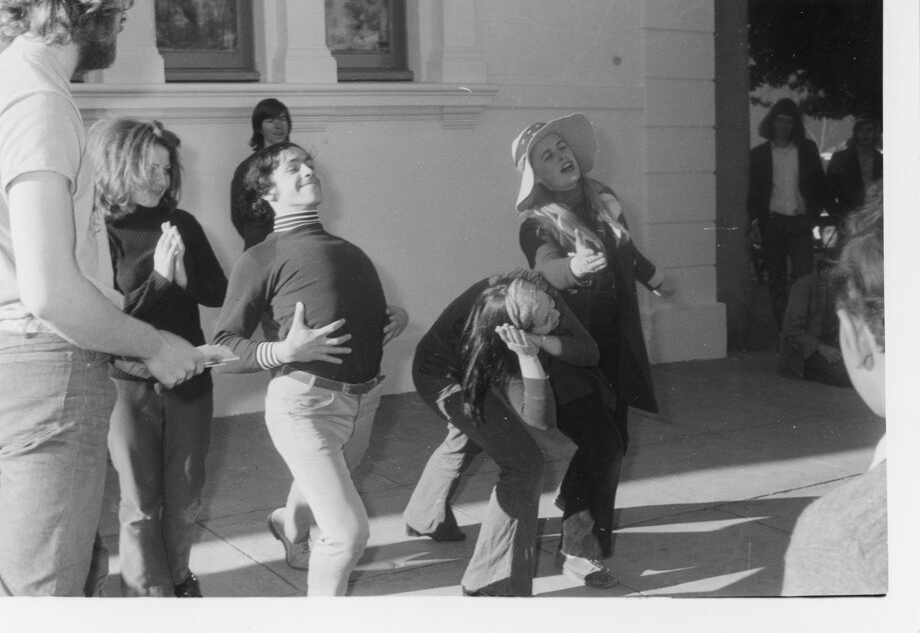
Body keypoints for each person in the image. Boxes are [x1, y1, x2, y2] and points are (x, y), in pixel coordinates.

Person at [0, 0, 206, 597]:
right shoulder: (37, 100)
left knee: (70, 574)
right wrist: (153, 345)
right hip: (48, 366)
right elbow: (48, 291)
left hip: (20, 358)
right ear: (87, 2)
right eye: (122, 8)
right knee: (45, 594)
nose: (123, 24)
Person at [213, 142, 408, 596]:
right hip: (305, 406)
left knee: (320, 486)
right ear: (265, 191)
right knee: (347, 532)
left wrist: (388, 317)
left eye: (310, 165)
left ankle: (288, 524)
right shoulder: (261, 257)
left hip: (364, 401)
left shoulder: (348, 250)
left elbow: (337, 307)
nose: (308, 171)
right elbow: (222, 348)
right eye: (292, 167)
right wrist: (284, 351)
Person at [514, 113, 671, 577]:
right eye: (547, 154)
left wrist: (654, 277)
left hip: (615, 346)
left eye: (563, 147)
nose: (561, 155)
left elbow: (626, 250)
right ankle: (579, 549)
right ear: (536, 175)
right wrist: (575, 268)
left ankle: (581, 515)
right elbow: (546, 268)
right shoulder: (536, 224)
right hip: (570, 352)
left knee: (613, 442)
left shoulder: (604, 201)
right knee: (603, 446)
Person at [88, 117, 229, 597]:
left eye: (166, 170)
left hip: (189, 381)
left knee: (186, 497)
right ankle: (146, 598)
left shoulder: (182, 223)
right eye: (147, 168)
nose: (160, 180)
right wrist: (162, 278)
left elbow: (219, 293)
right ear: (116, 166)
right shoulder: (101, 232)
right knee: (140, 504)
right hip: (128, 386)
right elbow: (112, 320)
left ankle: (176, 576)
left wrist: (185, 279)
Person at [407, 270, 616, 596]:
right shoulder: (503, 335)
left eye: (552, 306)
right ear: (518, 331)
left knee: (474, 435)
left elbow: (587, 353)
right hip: (439, 373)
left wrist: (538, 343)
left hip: (484, 355)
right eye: (549, 318)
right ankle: (490, 583)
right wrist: (529, 356)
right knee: (524, 462)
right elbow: (541, 419)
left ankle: (424, 515)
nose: (558, 315)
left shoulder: (531, 294)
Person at [782, 187, 886, 595]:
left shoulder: (841, 534)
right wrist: (823, 348)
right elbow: (792, 333)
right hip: (810, 354)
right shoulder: (803, 289)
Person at [748, 98, 826, 327]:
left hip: (800, 223)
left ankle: (802, 325)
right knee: (776, 279)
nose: (783, 126)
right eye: (779, 121)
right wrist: (754, 224)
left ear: (795, 125)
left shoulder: (807, 150)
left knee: (804, 279)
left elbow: (820, 186)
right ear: (772, 122)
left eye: (789, 122)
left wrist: (812, 217)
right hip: (772, 224)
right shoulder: (759, 154)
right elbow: (753, 193)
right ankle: (784, 328)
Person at [229, 98, 292, 249]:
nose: (278, 126)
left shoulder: (298, 161)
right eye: (270, 121)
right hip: (260, 243)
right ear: (259, 128)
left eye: (282, 119)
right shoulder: (248, 167)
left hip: (293, 241)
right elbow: (237, 215)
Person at [777, 263, 852, 387]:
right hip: (805, 352)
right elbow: (791, 330)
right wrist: (821, 347)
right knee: (847, 375)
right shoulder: (804, 287)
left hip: (831, 346)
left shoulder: (841, 289)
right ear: (825, 270)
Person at [824, 116, 883, 222]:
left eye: (869, 130)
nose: (865, 134)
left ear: (875, 133)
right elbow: (828, 194)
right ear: (855, 132)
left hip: (876, 218)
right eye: (861, 130)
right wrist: (839, 216)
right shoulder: (841, 158)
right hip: (848, 218)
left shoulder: (882, 160)